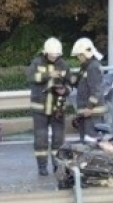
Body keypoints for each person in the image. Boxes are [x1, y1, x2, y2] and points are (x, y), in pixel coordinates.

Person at [28, 37, 71, 176]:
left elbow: (70, 83)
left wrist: (65, 90)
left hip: (57, 108)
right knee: (41, 138)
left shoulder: (63, 65)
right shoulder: (36, 62)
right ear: (46, 53)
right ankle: (42, 166)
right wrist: (48, 75)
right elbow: (30, 77)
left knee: (58, 139)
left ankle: (57, 165)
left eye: (57, 55)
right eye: (52, 55)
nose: (54, 58)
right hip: (40, 108)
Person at [70, 37, 107, 142]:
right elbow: (81, 85)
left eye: (79, 55)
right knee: (85, 143)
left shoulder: (93, 67)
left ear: (85, 54)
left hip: (92, 113)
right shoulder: (85, 67)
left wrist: (89, 107)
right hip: (87, 113)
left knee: (92, 142)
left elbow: (96, 90)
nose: (78, 58)